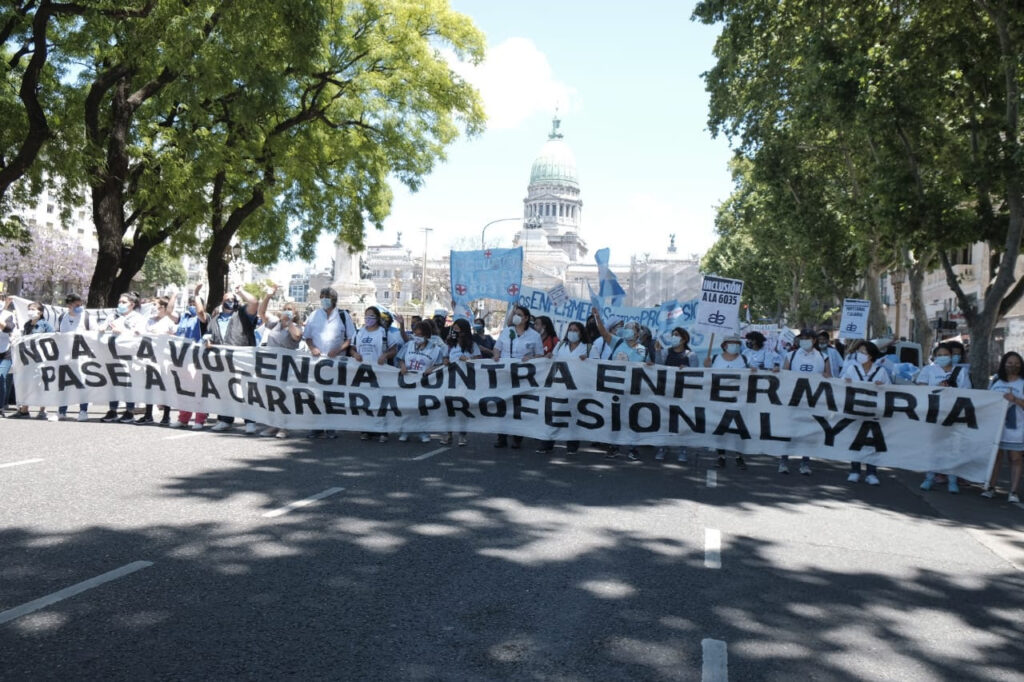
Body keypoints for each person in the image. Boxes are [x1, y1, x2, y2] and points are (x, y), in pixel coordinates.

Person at [593, 307, 648, 460]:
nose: (628, 331)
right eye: (626, 328)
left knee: (632, 418)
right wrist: (598, 318)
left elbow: (646, 365)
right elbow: (604, 332)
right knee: (615, 417)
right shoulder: (617, 343)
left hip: (633, 388)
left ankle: (633, 447)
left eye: (631, 329)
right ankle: (614, 446)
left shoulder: (642, 349)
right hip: (615, 387)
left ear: (637, 333)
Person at [303, 287, 355, 438]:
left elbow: (350, 338)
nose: (323, 300)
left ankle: (331, 426)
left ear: (333, 300)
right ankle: (316, 427)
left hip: (336, 362)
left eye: (326, 297)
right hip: (317, 362)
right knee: (316, 395)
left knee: (333, 395)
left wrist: (338, 349)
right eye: (322, 297)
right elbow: (307, 336)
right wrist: (312, 347)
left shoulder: (343, 315)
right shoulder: (314, 315)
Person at [208, 287, 260, 434]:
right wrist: (207, 342)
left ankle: (250, 421)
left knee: (246, 391)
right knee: (225, 391)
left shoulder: (243, 314)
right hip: (222, 362)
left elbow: (254, 302)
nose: (231, 302)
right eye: (228, 300)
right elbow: (209, 336)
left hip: (243, 361)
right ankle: (224, 419)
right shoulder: (215, 320)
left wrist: (241, 291)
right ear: (222, 303)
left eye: (233, 300)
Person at [492, 304, 544, 449]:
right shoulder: (507, 331)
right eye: (515, 314)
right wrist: (496, 355)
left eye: (520, 314)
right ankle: (501, 437)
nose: (516, 317)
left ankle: (517, 437)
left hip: (523, 376)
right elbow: (497, 347)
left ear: (526, 318)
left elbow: (540, 355)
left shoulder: (534, 335)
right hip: (505, 374)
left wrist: (532, 358)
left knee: (518, 406)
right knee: (502, 405)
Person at [916, 343, 967, 493]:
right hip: (934, 412)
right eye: (940, 355)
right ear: (935, 356)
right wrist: (937, 387)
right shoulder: (929, 370)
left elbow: (968, 392)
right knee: (934, 447)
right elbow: (919, 388)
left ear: (951, 356)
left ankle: (952, 480)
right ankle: (929, 478)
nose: (943, 357)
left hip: (955, 413)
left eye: (946, 354)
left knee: (953, 448)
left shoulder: (960, 371)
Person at [780, 328, 831, 474]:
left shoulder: (823, 356)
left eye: (807, 338)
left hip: (813, 400)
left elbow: (829, 376)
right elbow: (785, 375)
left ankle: (805, 463)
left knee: (807, 432)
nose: (804, 341)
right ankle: (784, 461)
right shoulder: (791, 355)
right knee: (789, 431)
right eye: (802, 338)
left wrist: (825, 376)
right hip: (794, 398)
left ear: (814, 340)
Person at [841, 341, 891, 485]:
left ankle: (871, 472)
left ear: (871, 355)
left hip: (873, 412)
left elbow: (889, 390)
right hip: (855, 410)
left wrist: (883, 387)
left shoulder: (880, 371)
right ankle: (855, 470)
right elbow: (839, 385)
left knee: (872, 443)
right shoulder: (851, 369)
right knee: (855, 442)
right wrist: (846, 382)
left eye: (863, 352)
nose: (860, 355)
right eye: (859, 351)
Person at [536, 321, 589, 454]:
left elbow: (595, 368)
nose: (572, 332)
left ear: (581, 333)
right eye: (570, 329)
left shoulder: (588, 348)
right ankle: (547, 443)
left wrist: (587, 360)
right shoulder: (560, 345)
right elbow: (552, 361)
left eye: (575, 330)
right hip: (559, 386)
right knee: (554, 415)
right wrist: (548, 357)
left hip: (578, 387)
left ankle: (572, 446)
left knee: (573, 416)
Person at [351, 306, 400, 442]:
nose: (368, 319)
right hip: (363, 372)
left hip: (380, 372)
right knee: (365, 400)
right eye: (366, 316)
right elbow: (352, 349)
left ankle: (382, 430)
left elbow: (394, 349)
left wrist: (385, 355)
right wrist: (355, 354)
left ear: (377, 318)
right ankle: (367, 429)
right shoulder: (359, 332)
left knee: (380, 401)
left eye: (371, 316)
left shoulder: (383, 332)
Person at [258, 297, 304, 439]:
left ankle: (284, 426)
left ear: (295, 313)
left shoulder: (297, 327)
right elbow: (261, 313)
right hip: (271, 365)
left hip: (286, 367)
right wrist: (268, 296)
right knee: (271, 395)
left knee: (284, 396)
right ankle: (273, 424)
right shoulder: (275, 324)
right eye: (285, 309)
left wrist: (289, 322)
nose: (287, 311)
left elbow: (296, 336)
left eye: (290, 310)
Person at [982, 351, 1024, 503]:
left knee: (1016, 458)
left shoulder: (1022, 383)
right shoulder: (996, 380)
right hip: (996, 426)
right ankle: (990, 487)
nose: (1014, 366)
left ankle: (1013, 491)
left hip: (1017, 428)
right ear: (1004, 364)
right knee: (995, 457)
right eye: (1010, 363)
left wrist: (1016, 400)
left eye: (1017, 363)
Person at [704, 336, 749, 470]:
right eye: (731, 343)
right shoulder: (715, 358)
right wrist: (706, 367)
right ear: (724, 345)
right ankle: (721, 456)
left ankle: (739, 456)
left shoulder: (745, 359)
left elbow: (755, 374)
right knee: (720, 429)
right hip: (719, 400)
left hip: (739, 400)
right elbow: (706, 378)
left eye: (737, 343)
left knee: (739, 430)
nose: (734, 345)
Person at [397, 321, 446, 443]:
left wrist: (432, 369)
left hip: (424, 382)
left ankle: (422, 431)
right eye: (415, 334)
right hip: (408, 381)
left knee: (421, 407)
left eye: (420, 335)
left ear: (426, 335)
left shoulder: (435, 349)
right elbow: (401, 359)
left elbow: (441, 365)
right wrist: (402, 365)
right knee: (408, 407)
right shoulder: (409, 345)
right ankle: (406, 430)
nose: (416, 337)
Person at [100, 291, 145, 423]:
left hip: (129, 356)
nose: (120, 304)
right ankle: (112, 410)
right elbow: (101, 328)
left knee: (127, 384)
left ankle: (129, 411)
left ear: (132, 304)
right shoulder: (113, 316)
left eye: (124, 302)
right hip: (112, 355)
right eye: (120, 302)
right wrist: (102, 328)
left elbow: (140, 335)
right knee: (113, 383)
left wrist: (123, 332)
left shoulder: (138, 318)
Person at [135, 290, 179, 425]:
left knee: (166, 387)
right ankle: (148, 414)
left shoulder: (169, 321)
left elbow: (177, 337)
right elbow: (139, 333)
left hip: (165, 359)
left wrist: (165, 334)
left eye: (158, 306)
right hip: (149, 359)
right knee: (149, 386)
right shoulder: (149, 321)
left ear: (165, 308)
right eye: (153, 306)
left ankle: (166, 416)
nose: (154, 309)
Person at [171, 284, 209, 430]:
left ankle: (199, 419)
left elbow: (200, 311)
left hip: (197, 358)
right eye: (190, 303)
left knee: (198, 390)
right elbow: (169, 312)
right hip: (182, 359)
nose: (192, 306)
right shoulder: (183, 317)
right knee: (184, 390)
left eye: (194, 303)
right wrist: (174, 294)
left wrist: (197, 294)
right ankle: (183, 418)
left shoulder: (204, 318)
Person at [653, 326, 693, 462]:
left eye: (676, 335)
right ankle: (663, 447)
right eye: (672, 334)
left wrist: (688, 370)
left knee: (682, 422)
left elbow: (698, 375)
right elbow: (658, 367)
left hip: (684, 394)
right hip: (667, 392)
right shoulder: (665, 352)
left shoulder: (690, 355)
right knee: (665, 421)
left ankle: (683, 449)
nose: (673, 337)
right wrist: (657, 352)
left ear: (684, 339)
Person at [9, 301, 54, 419]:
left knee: (42, 383)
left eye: (33, 309)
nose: (30, 311)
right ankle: (24, 410)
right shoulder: (27, 325)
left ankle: (42, 410)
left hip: (42, 359)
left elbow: (53, 340)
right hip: (29, 359)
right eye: (29, 309)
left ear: (40, 312)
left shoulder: (46, 325)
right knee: (26, 383)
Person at [442, 318, 481, 447]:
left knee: (463, 407)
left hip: (465, 380)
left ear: (464, 331)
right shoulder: (450, 344)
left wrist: (468, 359)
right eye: (454, 328)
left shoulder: (472, 345)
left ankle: (462, 435)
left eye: (458, 329)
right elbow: (445, 357)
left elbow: (479, 361)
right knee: (448, 406)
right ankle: (448, 434)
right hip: (451, 380)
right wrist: (446, 360)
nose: (455, 331)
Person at [56, 292, 90, 421]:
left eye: (79, 304)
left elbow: (95, 332)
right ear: (69, 305)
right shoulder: (62, 317)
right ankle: (62, 411)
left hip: (82, 356)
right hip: (65, 356)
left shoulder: (86, 316)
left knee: (82, 383)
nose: (78, 306)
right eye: (75, 305)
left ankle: (83, 411)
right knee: (64, 384)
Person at [0, 291, 17, 418]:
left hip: (5, 352)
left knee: (1, 376)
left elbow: (9, 328)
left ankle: (1, 406)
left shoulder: (8, 315)